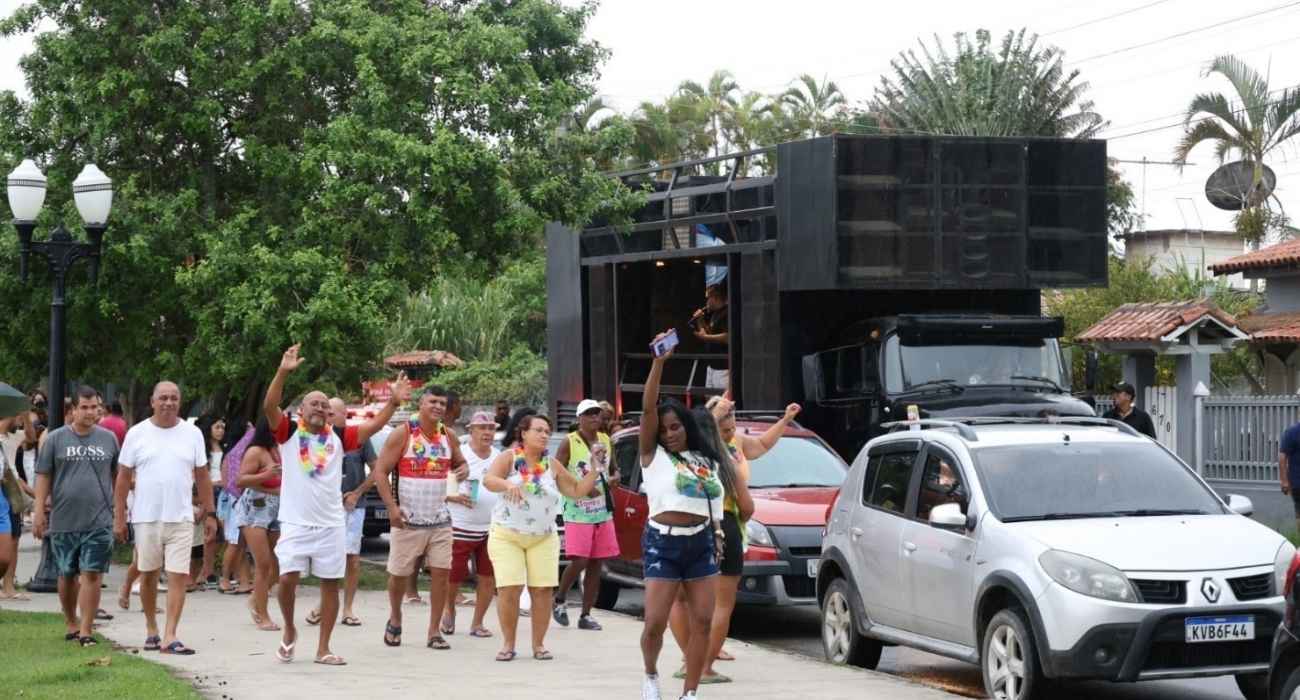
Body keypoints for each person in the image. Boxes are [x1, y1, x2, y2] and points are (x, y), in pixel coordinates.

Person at [262, 344, 403, 666]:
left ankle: (323, 648)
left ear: (329, 414)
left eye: (324, 405)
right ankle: (289, 630)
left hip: (331, 524)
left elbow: (375, 426)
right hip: (296, 523)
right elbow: (270, 404)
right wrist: (283, 370)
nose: (320, 407)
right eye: (313, 402)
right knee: (287, 580)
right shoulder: (286, 434)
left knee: (330, 585)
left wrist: (393, 402)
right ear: (301, 412)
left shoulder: (340, 437)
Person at [637, 332, 729, 700]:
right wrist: (659, 361)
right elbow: (647, 409)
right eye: (663, 430)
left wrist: (718, 535)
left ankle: (690, 693)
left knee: (703, 621)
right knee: (654, 624)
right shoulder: (652, 457)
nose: (670, 434)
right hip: (663, 543)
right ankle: (650, 676)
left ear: (687, 427)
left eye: (675, 427)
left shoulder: (705, 459)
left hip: (701, 542)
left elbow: (716, 500)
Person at [483, 412, 599, 662]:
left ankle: (539, 645)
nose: (544, 435)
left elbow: (577, 491)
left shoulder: (552, 465)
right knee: (509, 588)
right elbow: (489, 480)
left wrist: (596, 470)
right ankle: (508, 644)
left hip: (543, 537)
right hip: (507, 535)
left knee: (542, 591)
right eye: (539, 430)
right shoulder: (510, 458)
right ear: (523, 433)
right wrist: (507, 485)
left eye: (547, 431)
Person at [112, 381, 216, 655]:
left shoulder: (192, 434)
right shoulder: (137, 433)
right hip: (146, 517)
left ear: (179, 402)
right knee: (148, 574)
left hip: (181, 517)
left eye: (174, 398)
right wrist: (119, 516)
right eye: (163, 398)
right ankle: (151, 629)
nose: (168, 403)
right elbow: (123, 477)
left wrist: (210, 514)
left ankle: (171, 635)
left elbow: (203, 475)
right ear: (153, 401)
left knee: (178, 576)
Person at [372, 385, 468, 650]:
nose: (438, 407)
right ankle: (395, 616)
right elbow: (381, 472)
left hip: (440, 519)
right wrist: (392, 508)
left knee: (441, 574)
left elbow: (460, 463)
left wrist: (462, 470)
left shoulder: (448, 436)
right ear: (421, 402)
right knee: (399, 575)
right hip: (408, 519)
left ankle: (433, 631)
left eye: (442, 403)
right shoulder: (403, 433)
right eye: (433, 401)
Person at [306, 397, 380, 628]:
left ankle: (347, 609)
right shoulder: (316, 440)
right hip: (325, 508)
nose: (327, 417)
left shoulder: (358, 438)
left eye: (332, 414)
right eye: (325, 413)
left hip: (353, 507)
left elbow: (377, 470)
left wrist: (357, 493)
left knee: (352, 559)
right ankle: (324, 605)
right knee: (329, 557)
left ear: (342, 415)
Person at [553, 399, 620, 631]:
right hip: (578, 510)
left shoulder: (605, 440)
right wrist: (581, 486)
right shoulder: (569, 442)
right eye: (589, 414)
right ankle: (560, 599)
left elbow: (613, 469)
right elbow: (557, 471)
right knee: (579, 559)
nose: (594, 418)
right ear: (579, 418)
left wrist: (615, 478)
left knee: (596, 563)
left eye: (597, 414)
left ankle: (586, 614)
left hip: (601, 509)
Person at [443, 411, 500, 638]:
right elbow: (442, 484)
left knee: (488, 576)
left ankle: (478, 623)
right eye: (482, 428)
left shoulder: (500, 456)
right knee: (454, 574)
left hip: (492, 526)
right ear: (471, 430)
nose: (487, 433)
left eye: (491, 429)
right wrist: (454, 496)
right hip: (461, 524)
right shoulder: (460, 455)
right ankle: (449, 609)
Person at [235, 418, 284, 631]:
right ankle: (263, 615)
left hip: (276, 509)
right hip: (254, 510)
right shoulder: (255, 451)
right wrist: (266, 474)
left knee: (279, 564)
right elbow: (241, 480)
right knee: (263, 564)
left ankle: (256, 599)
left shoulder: (278, 449)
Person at [218, 422, 255, 594]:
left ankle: (244, 580)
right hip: (235, 500)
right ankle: (224, 578)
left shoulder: (230, 454)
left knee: (241, 544)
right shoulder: (235, 455)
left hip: (235, 499)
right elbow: (230, 483)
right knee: (234, 543)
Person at [196, 416, 226, 586]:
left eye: (223, 427)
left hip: (223, 491)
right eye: (217, 427)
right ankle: (205, 571)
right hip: (211, 491)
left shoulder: (225, 447)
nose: (221, 430)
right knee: (209, 535)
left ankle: (210, 569)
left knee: (222, 536)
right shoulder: (202, 450)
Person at [690, 284, 729, 390]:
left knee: (721, 400)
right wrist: (700, 319)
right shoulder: (715, 314)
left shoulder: (727, 312)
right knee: (709, 400)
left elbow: (728, 337)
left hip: (723, 367)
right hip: (712, 365)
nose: (706, 302)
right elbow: (708, 334)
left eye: (708, 298)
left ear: (715, 298)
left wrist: (706, 338)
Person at [1281, 419, 1300, 535]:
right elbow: (1282, 457)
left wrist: (1284, 482)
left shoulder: (1291, 432)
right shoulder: (1292, 432)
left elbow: (1282, 457)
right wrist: (1284, 481)